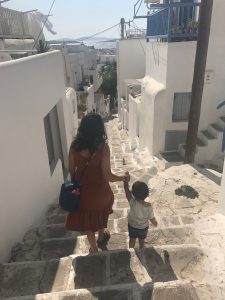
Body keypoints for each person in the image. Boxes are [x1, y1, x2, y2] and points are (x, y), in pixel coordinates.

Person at [66, 113, 127, 253]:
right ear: (99, 129)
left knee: (88, 221)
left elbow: (70, 168)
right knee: (101, 212)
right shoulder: (103, 148)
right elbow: (108, 176)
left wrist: (76, 182)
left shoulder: (74, 145)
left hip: (84, 193)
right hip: (101, 193)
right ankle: (101, 237)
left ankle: (93, 248)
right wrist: (123, 178)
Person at [123, 172, 158, 249]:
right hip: (143, 228)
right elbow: (152, 219)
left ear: (133, 194)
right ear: (146, 194)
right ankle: (141, 249)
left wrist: (125, 181)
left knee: (132, 239)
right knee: (142, 241)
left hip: (132, 225)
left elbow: (126, 190)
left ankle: (131, 249)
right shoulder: (149, 207)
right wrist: (155, 223)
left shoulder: (132, 202)